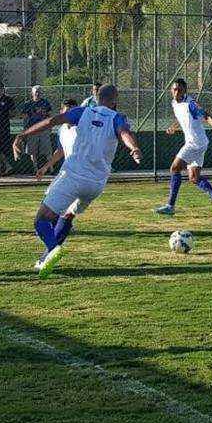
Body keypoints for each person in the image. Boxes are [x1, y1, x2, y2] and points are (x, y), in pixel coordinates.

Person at [13, 84, 141, 278]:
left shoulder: (82, 112)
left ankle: (53, 249)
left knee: (41, 220)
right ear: (114, 100)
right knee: (67, 215)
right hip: (96, 185)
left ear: (97, 98)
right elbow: (124, 133)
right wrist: (134, 149)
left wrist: (23, 135)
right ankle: (46, 258)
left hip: (74, 176)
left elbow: (51, 121)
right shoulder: (117, 118)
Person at [155, 78, 212, 217]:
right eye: (174, 89)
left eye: (179, 90)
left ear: (184, 91)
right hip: (198, 143)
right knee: (194, 178)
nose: (176, 92)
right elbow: (181, 117)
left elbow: (205, 115)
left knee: (175, 168)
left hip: (195, 143)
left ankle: (170, 206)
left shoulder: (191, 104)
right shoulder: (174, 103)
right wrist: (173, 127)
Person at [35, 99, 80, 181]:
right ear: (61, 112)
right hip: (70, 171)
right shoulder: (62, 130)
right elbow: (60, 151)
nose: (70, 114)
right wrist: (45, 167)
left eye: (73, 111)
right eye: (67, 111)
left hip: (85, 172)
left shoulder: (84, 127)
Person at [19, 85, 53, 175]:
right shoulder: (28, 104)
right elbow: (24, 117)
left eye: (39, 91)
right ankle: (35, 168)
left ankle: (51, 168)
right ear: (32, 93)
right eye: (36, 91)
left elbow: (50, 115)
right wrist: (26, 129)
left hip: (43, 129)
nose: (38, 93)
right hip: (32, 129)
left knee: (47, 150)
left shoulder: (45, 103)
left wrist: (50, 127)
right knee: (32, 151)